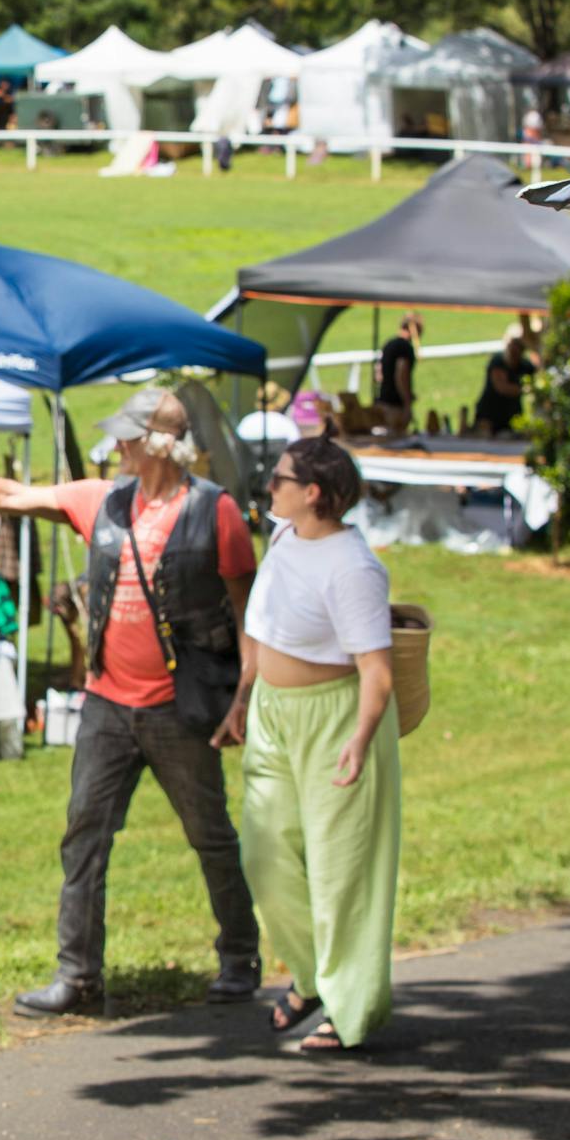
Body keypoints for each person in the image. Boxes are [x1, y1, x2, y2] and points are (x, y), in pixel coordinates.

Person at [0, 389, 262, 1017]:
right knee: (83, 839)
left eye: (129, 436)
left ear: (157, 443)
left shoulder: (217, 513)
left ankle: (240, 960)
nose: (118, 446)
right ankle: (78, 978)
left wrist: (242, 698)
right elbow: (8, 496)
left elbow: (248, 616)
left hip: (180, 707)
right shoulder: (103, 499)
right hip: (106, 704)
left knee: (210, 835)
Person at [229, 427, 398, 1054]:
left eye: (281, 478)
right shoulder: (285, 535)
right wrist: (245, 697)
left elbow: (376, 671)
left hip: (335, 719)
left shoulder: (354, 569)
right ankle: (310, 975)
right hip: (275, 714)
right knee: (264, 852)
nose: (270, 484)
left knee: (340, 870)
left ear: (315, 494)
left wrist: (360, 737)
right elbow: (269, 629)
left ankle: (352, 1007)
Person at [475, 323, 538, 435]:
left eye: (519, 345)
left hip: (512, 418)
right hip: (489, 417)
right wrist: (526, 389)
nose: (514, 349)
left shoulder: (525, 366)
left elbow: (540, 376)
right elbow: (503, 388)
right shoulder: (497, 361)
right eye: (512, 344)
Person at [376, 313, 425, 431]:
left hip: (383, 402)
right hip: (396, 406)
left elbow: (378, 375)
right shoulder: (404, 348)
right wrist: (407, 402)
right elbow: (401, 374)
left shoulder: (388, 344)